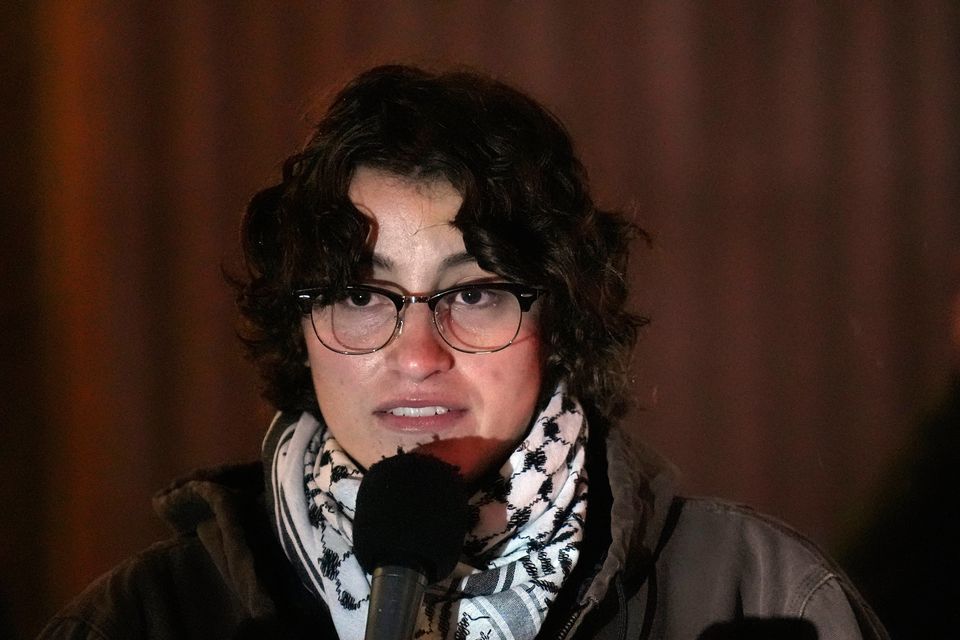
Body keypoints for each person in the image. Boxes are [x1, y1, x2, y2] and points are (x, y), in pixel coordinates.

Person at [40, 65, 888, 639]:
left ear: (561, 318)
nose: (417, 354)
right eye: (363, 296)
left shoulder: (761, 596)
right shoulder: (147, 616)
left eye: (474, 293)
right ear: (301, 328)